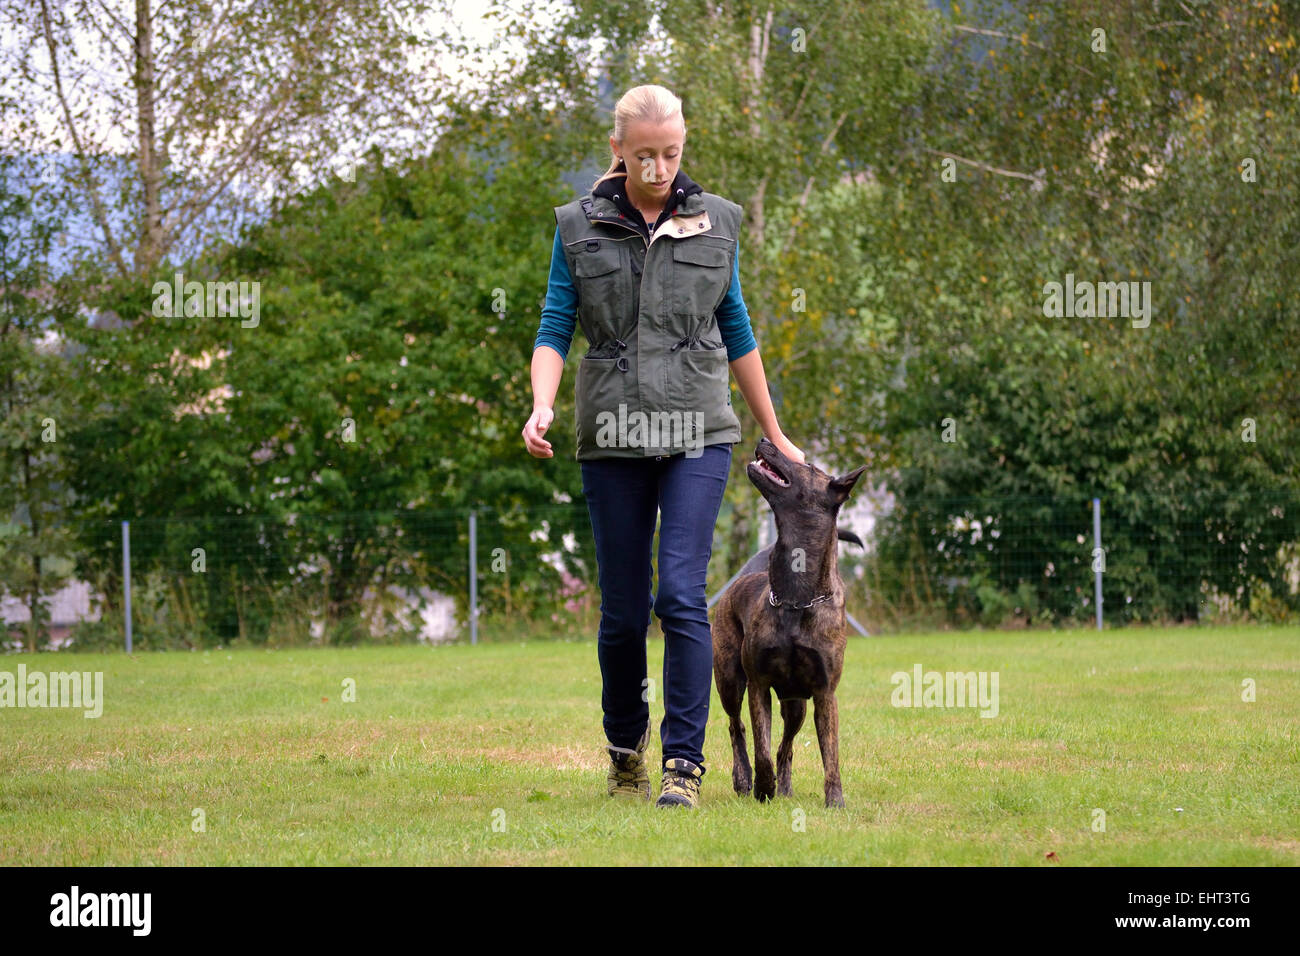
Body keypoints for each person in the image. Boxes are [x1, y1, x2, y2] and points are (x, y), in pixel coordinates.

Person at [522, 84, 804, 809]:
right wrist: (542, 405)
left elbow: (736, 329)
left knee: (680, 594)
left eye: (670, 154)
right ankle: (625, 751)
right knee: (622, 610)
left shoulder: (719, 224)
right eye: (643, 155)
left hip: (696, 431)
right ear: (617, 150)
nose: (657, 168)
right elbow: (556, 323)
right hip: (611, 432)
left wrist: (773, 432)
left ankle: (685, 765)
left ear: (683, 146)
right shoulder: (576, 227)